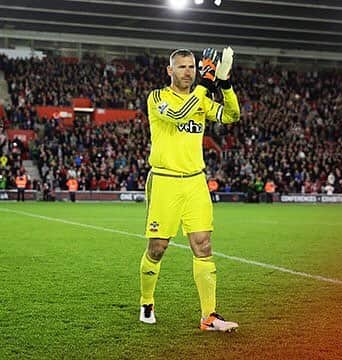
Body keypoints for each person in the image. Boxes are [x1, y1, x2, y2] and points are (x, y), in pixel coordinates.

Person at [139, 47, 240, 332]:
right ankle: (147, 301)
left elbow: (232, 116)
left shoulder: (202, 99)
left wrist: (225, 84)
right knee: (158, 248)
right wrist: (205, 87)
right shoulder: (158, 98)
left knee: (203, 245)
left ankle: (209, 316)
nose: (187, 72)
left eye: (192, 67)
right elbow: (178, 116)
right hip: (165, 180)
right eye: (181, 67)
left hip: (195, 180)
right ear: (169, 71)